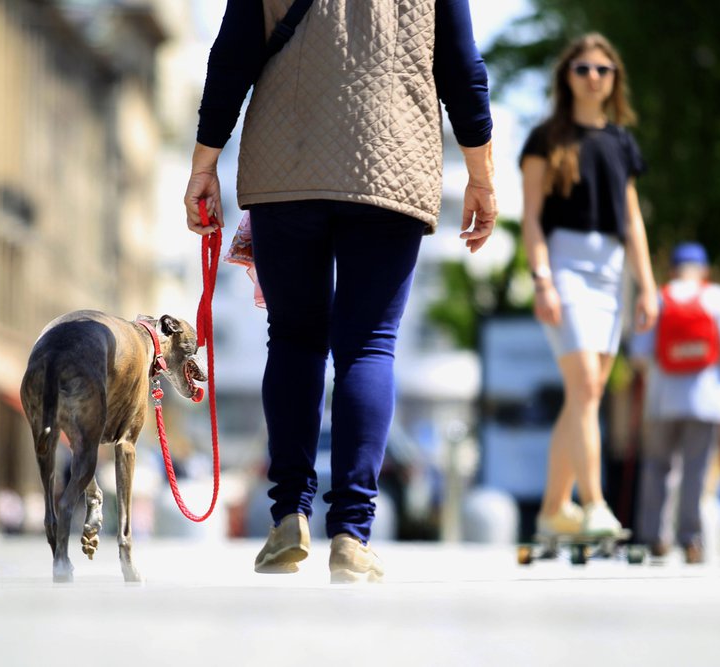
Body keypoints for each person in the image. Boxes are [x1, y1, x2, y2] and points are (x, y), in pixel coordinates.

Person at [184, 0, 497, 582]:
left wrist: (204, 165)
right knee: (369, 344)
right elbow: (461, 65)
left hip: (286, 164)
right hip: (391, 157)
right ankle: (352, 535)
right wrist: (480, 175)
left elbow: (232, 56)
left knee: (295, 339)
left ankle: (288, 518)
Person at [519, 33, 658, 539]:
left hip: (611, 272)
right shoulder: (544, 139)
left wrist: (647, 285)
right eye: (582, 69)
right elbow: (531, 218)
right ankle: (595, 504)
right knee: (585, 387)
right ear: (567, 77)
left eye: (603, 69)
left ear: (614, 78)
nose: (593, 77)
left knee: (588, 393)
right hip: (565, 265)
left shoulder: (621, 142)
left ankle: (553, 509)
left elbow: (633, 220)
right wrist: (542, 280)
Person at [630, 241, 720, 562]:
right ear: (704, 270)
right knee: (696, 471)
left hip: (662, 401)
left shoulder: (659, 296)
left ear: (672, 269)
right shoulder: (716, 297)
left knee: (658, 468)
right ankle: (691, 539)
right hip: (707, 399)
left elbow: (639, 354)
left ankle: (655, 536)